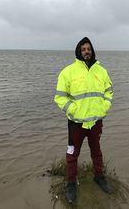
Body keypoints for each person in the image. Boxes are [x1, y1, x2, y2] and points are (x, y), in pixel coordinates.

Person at [54, 37, 114, 203]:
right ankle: (71, 183)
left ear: (92, 50)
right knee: (72, 154)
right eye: (83, 49)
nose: (86, 51)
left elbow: (109, 91)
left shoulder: (101, 71)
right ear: (78, 52)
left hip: (96, 122)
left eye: (88, 48)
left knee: (97, 152)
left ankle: (99, 176)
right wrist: (73, 110)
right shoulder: (68, 72)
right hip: (76, 123)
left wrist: (104, 107)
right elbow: (59, 97)